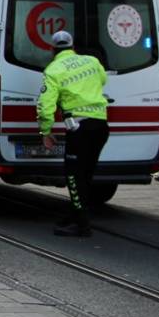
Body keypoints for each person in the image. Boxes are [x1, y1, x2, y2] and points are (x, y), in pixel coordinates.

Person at [37, 30, 109, 237]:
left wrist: (45, 130)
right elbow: (103, 80)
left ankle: (82, 225)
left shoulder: (54, 70)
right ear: (72, 46)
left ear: (53, 49)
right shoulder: (92, 61)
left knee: (73, 176)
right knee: (86, 175)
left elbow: (45, 104)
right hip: (101, 127)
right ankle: (76, 215)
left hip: (79, 129)